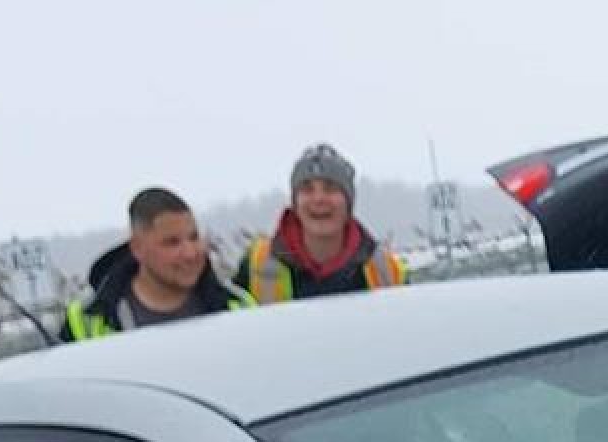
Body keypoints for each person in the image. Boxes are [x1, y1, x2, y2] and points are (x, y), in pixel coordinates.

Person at [61, 188, 250, 339]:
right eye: (172, 243)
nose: (190, 253)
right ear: (137, 249)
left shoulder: (238, 307)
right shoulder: (88, 322)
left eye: (194, 238)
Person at [242, 145, 407, 302]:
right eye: (307, 189)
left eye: (330, 188)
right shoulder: (257, 266)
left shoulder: (386, 271)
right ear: (295, 203)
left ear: (348, 203)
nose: (319, 199)